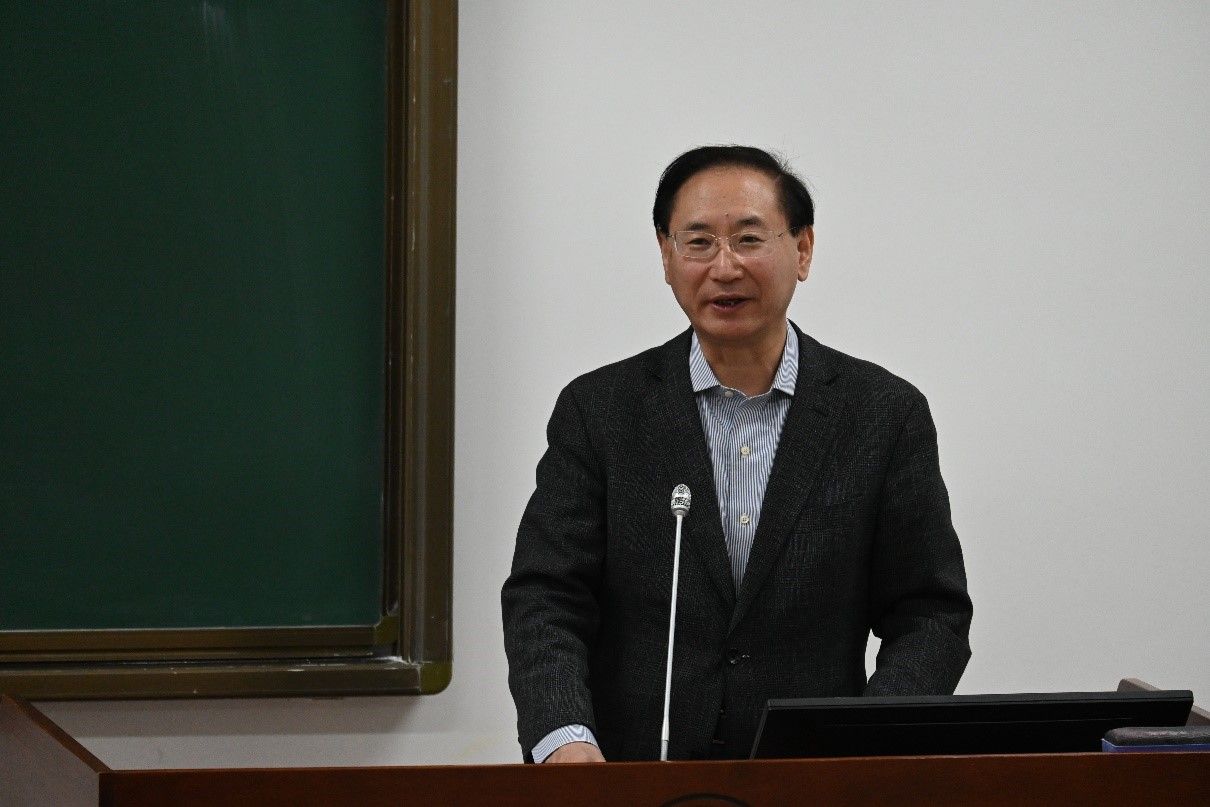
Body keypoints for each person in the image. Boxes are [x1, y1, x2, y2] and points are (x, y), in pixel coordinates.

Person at [501, 145, 972, 762]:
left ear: (803, 249)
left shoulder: (882, 414)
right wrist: (564, 736)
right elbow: (546, 596)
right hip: (632, 776)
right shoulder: (600, 411)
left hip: (816, 779)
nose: (724, 267)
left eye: (749, 239)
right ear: (666, 256)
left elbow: (930, 614)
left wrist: (867, 743)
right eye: (698, 243)